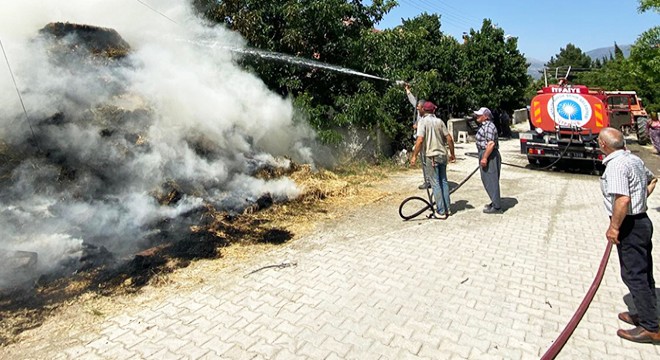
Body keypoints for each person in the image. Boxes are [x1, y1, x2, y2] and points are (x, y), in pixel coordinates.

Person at [598, 127, 660, 344]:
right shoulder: (632, 159)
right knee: (643, 274)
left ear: (603, 145)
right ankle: (646, 314)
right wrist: (640, 201)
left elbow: (622, 200)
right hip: (641, 221)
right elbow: (652, 180)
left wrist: (614, 227)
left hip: (629, 225)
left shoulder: (615, 165)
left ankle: (650, 327)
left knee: (634, 276)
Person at [410, 101, 456, 217]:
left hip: (432, 157)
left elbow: (420, 140)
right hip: (442, 155)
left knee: (435, 183)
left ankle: (440, 210)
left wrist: (414, 156)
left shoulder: (422, 122)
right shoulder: (439, 121)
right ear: (433, 110)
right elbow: (449, 139)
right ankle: (448, 209)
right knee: (444, 182)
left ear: (423, 110)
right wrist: (452, 154)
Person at [474, 107, 502, 214]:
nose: (477, 116)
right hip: (486, 153)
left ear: (485, 116)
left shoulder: (489, 127)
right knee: (488, 179)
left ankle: (497, 206)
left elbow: (491, 144)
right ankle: (494, 201)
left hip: (489, 155)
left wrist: (485, 157)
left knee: (491, 180)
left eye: (479, 115)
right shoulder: (485, 126)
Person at [405, 83, 431, 189]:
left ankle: (429, 181)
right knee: (426, 161)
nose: (417, 108)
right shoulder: (422, 114)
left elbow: (424, 128)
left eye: (419, 107)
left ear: (423, 108)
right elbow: (413, 102)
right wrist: (407, 90)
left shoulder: (425, 117)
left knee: (426, 161)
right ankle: (430, 180)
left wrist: (417, 125)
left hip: (424, 141)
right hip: (423, 140)